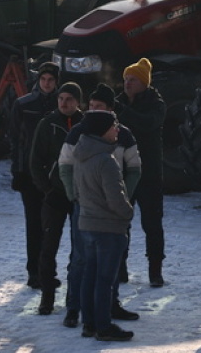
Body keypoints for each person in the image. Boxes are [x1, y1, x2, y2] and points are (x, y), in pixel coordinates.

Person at [59, 84, 141, 328]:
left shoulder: (122, 136)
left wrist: (123, 197)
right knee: (82, 260)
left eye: (99, 107)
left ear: (110, 110)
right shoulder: (78, 134)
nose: (92, 111)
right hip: (87, 207)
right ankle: (74, 308)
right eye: (91, 106)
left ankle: (109, 305)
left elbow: (134, 169)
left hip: (112, 210)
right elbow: (65, 167)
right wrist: (76, 196)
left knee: (110, 262)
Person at [72, 110, 136, 342]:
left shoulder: (81, 156)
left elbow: (77, 192)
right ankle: (104, 326)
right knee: (105, 281)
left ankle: (89, 323)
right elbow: (116, 199)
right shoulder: (105, 161)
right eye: (114, 126)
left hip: (87, 224)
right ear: (102, 130)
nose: (117, 130)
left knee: (90, 276)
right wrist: (128, 213)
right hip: (108, 228)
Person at [30, 82, 84, 315]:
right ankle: (47, 297)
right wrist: (47, 188)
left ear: (78, 102)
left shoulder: (87, 125)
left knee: (80, 250)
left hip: (81, 197)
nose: (64, 103)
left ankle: (75, 297)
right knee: (48, 248)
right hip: (55, 195)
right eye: (61, 98)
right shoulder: (47, 124)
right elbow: (35, 161)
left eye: (69, 99)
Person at [114, 58, 167, 287]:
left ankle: (155, 271)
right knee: (120, 223)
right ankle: (120, 268)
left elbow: (148, 123)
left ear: (144, 83)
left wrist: (122, 112)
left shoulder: (156, 104)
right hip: (124, 172)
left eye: (133, 79)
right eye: (126, 79)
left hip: (149, 173)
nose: (127, 83)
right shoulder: (118, 103)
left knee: (152, 224)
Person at [9, 62, 60, 289]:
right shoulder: (24, 105)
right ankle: (34, 272)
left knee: (52, 226)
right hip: (30, 175)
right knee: (34, 224)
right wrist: (18, 171)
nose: (47, 84)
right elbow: (16, 142)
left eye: (51, 80)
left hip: (55, 176)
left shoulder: (64, 106)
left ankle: (47, 271)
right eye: (43, 80)